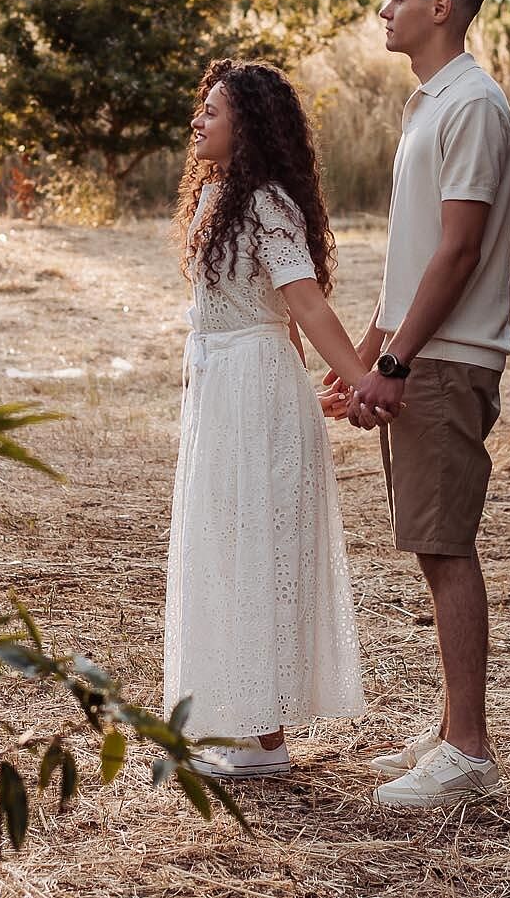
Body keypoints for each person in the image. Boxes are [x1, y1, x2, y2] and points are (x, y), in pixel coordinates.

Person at [324, 0, 510, 808]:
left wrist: (397, 363)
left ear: (443, 7)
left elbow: (460, 251)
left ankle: (468, 752)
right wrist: (363, 359)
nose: (383, 9)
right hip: (416, 355)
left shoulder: (472, 103)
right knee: (430, 543)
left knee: (445, 545)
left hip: (447, 359)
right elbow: (408, 266)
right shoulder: (428, 106)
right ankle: (448, 729)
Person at [163, 59, 367, 778]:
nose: (200, 121)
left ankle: (264, 739)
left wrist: (357, 376)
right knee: (226, 544)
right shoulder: (216, 195)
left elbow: (304, 305)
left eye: (213, 111)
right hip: (220, 389)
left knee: (257, 547)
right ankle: (249, 724)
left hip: (252, 392)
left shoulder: (266, 203)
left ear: (246, 123)